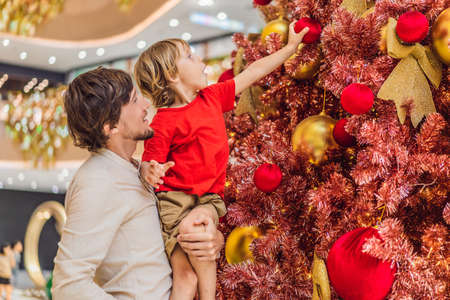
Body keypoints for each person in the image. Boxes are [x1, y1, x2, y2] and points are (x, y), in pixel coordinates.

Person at [134, 22, 309, 300]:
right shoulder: (164, 121)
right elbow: (148, 164)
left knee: (200, 230)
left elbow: (252, 72)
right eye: (190, 56)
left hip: (208, 199)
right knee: (189, 258)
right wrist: (149, 170)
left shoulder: (211, 97)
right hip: (175, 202)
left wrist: (289, 48)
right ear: (172, 74)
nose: (200, 60)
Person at [52, 67, 224, 300]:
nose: (146, 104)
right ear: (110, 126)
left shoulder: (136, 170)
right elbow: (68, 284)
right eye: (134, 100)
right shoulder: (97, 181)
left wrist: (211, 239)